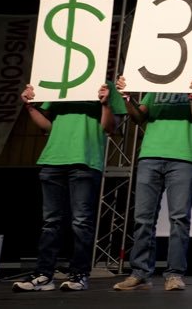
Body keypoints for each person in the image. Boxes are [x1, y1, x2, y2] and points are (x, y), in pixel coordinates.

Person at [14, 82, 123, 292]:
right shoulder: (61, 79)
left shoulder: (106, 87)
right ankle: (44, 274)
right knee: (50, 222)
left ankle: (79, 274)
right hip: (53, 158)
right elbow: (47, 126)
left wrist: (105, 103)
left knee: (81, 222)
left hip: (85, 160)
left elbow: (110, 128)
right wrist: (29, 107)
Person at [113, 71, 192, 292]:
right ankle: (140, 274)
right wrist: (127, 98)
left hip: (184, 157)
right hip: (150, 155)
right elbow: (139, 117)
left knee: (179, 219)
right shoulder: (160, 80)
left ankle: (174, 274)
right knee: (143, 218)